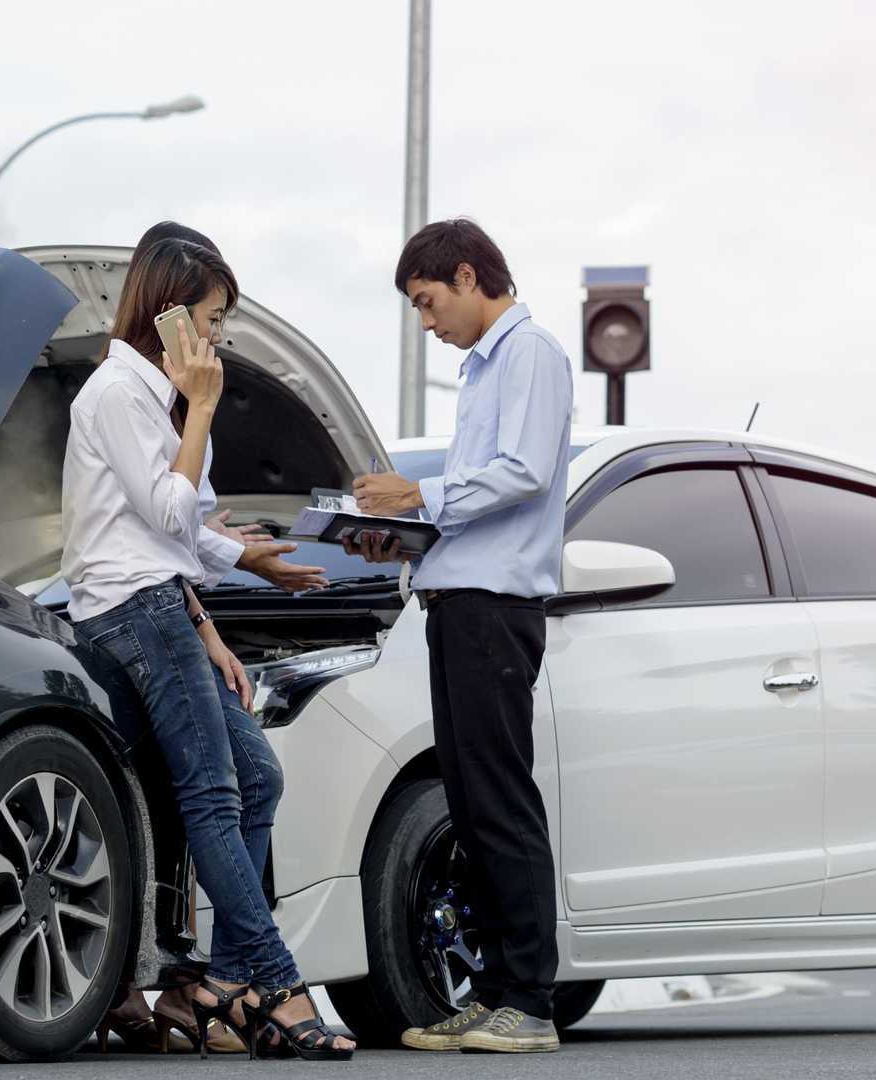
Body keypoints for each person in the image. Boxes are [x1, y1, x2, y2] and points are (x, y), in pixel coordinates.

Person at [63, 232, 353, 1060]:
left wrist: (247, 566)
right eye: (215, 318)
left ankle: (224, 978)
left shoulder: (153, 395)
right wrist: (205, 405)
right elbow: (166, 516)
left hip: (161, 604)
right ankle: (276, 984)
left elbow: (187, 523)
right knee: (215, 797)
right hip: (135, 613)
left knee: (257, 776)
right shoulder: (120, 393)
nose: (220, 336)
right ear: (172, 313)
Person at [350, 218, 573, 1054]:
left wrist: (421, 499)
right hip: (457, 602)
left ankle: (530, 1000)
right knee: (473, 807)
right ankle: (492, 994)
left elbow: (524, 474)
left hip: (494, 609)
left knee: (501, 799)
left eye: (428, 301)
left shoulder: (532, 354)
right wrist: (400, 530)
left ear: (470, 276)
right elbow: (479, 497)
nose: (427, 322)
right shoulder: (484, 367)